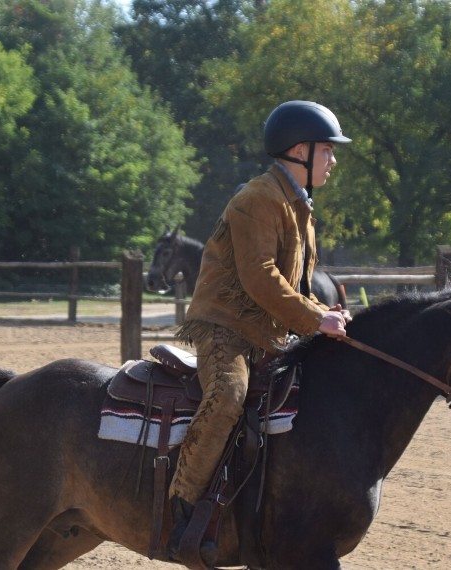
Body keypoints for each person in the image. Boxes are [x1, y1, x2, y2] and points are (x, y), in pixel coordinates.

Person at [169, 100, 352, 562]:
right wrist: (315, 320)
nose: (333, 160)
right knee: (228, 395)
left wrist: (322, 312)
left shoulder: (299, 207)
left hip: (268, 334)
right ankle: (182, 506)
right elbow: (260, 276)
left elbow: (294, 285)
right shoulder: (257, 199)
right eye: (327, 151)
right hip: (225, 329)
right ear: (299, 150)